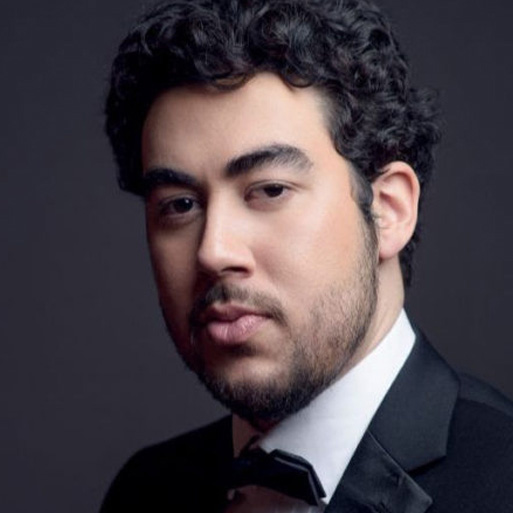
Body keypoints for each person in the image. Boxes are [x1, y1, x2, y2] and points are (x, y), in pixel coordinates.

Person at [100, 0, 513, 511]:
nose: (213, 251)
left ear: (388, 210)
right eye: (180, 205)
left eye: (269, 190)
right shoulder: (145, 490)